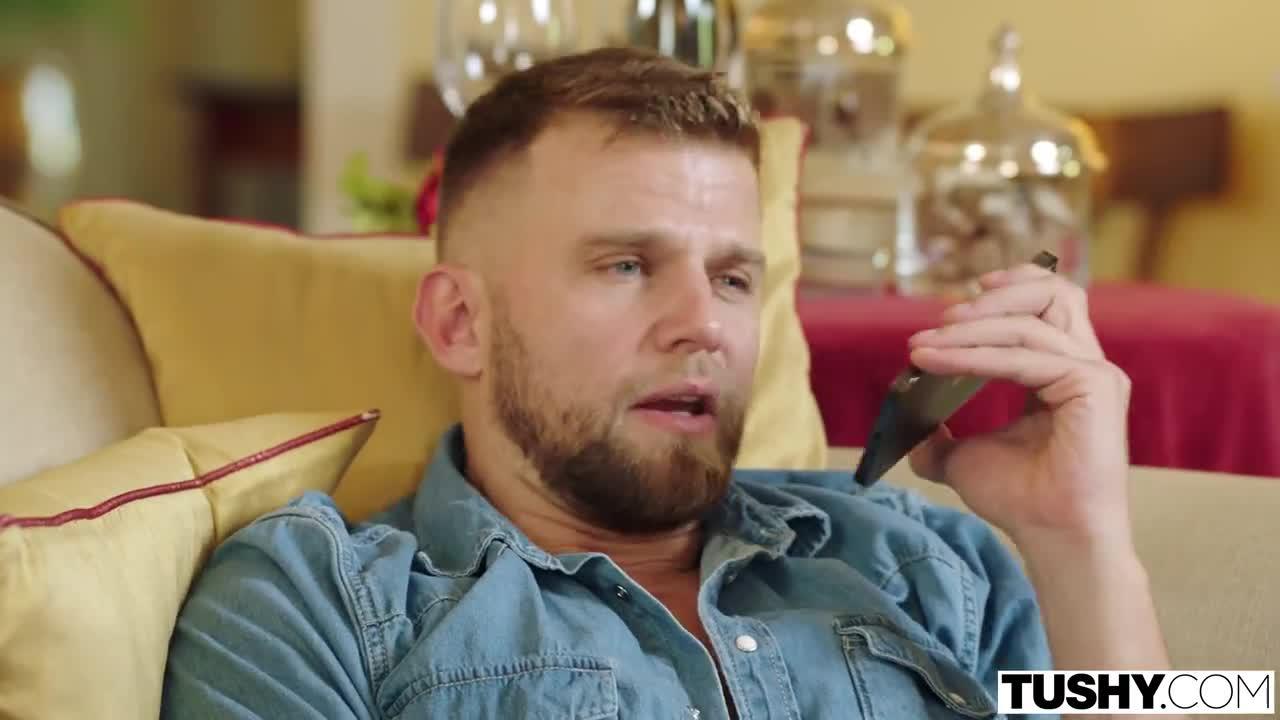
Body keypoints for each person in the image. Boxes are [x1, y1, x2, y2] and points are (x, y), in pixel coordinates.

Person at [162, 47, 1171, 719]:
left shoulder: (929, 561)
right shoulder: (316, 600)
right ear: (460, 322)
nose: (704, 325)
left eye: (732, 279)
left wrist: (1083, 546)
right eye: (626, 266)